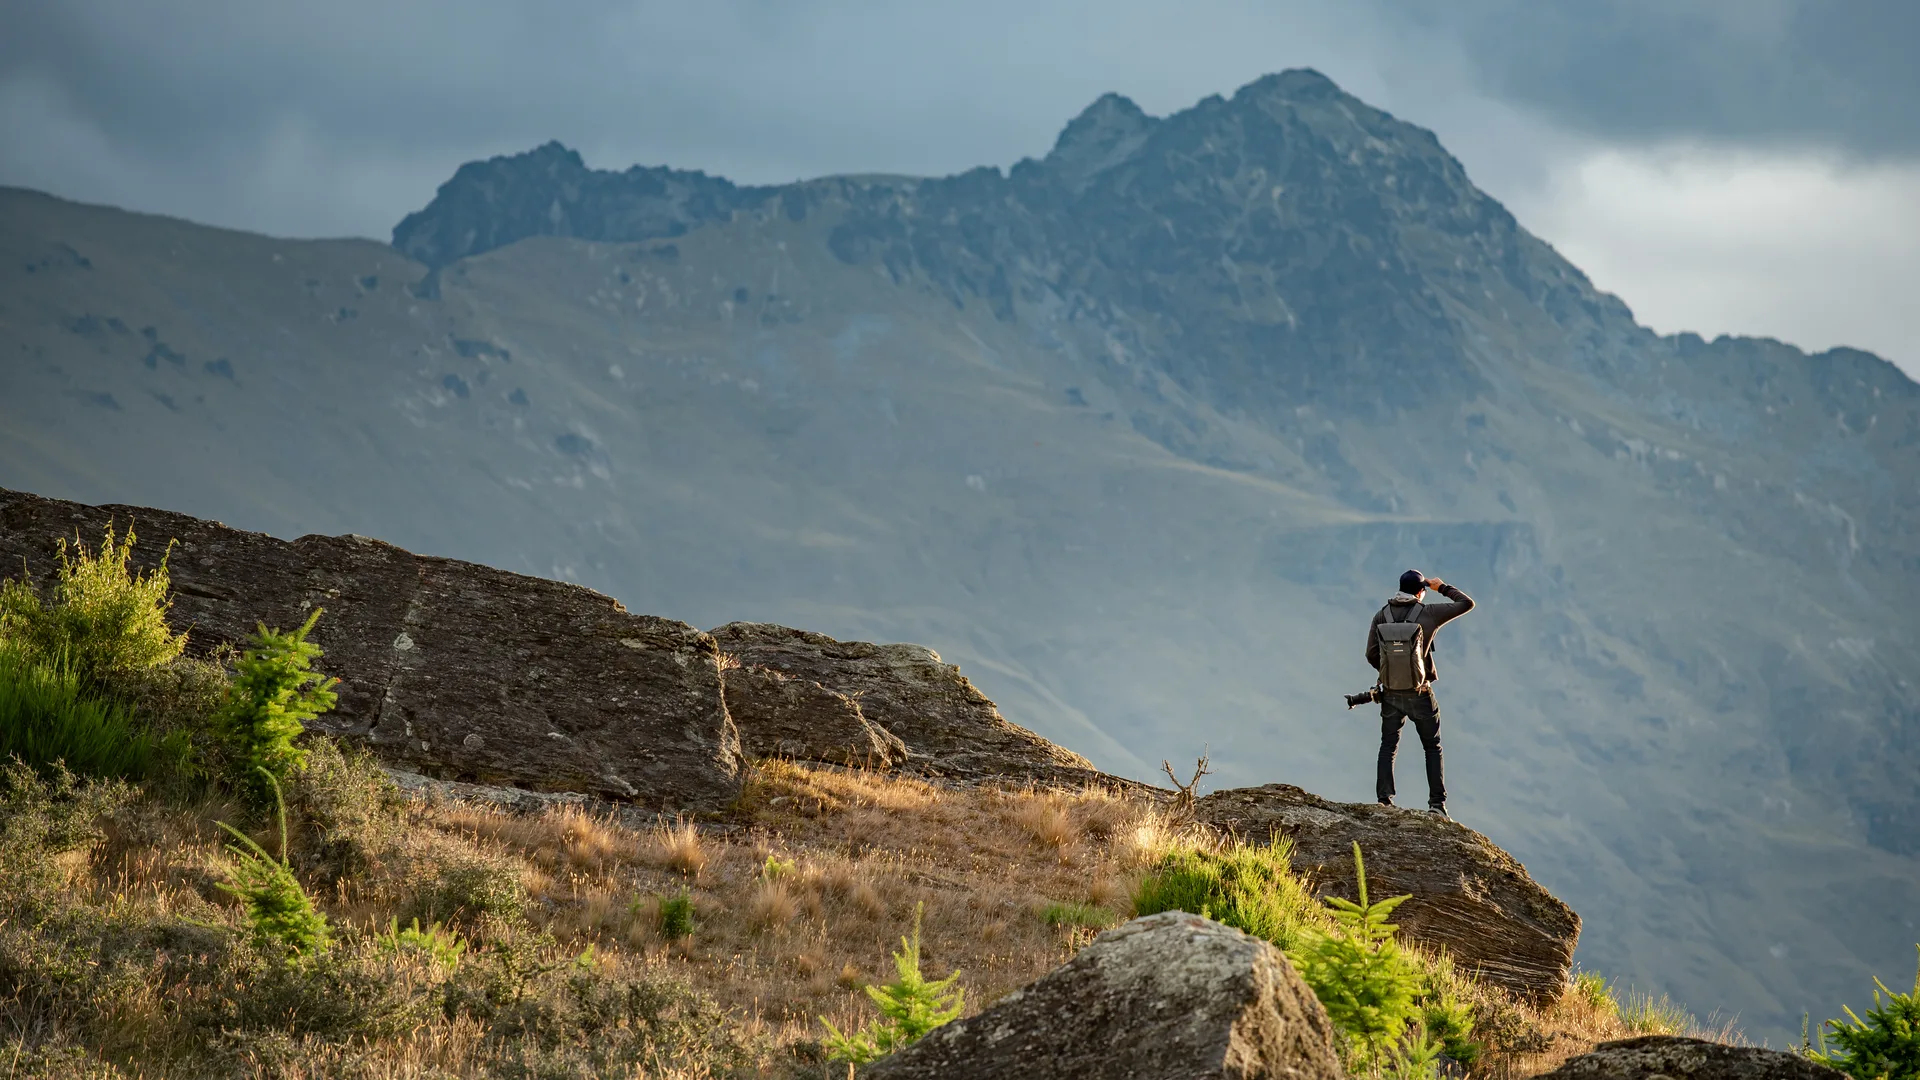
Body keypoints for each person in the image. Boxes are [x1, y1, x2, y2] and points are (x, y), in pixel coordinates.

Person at [1363, 569, 1474, 818]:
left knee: (1388, 745)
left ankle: (1384, 800)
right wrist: (1442, 587)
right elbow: (1466, 603)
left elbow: (1371, 654)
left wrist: (1391, 674)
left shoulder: (1381, 615)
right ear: (1421, 592)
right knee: (1432, 747)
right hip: (1420, 693)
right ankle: (1437, 805)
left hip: (1390, 693)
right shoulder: (1428, 613)